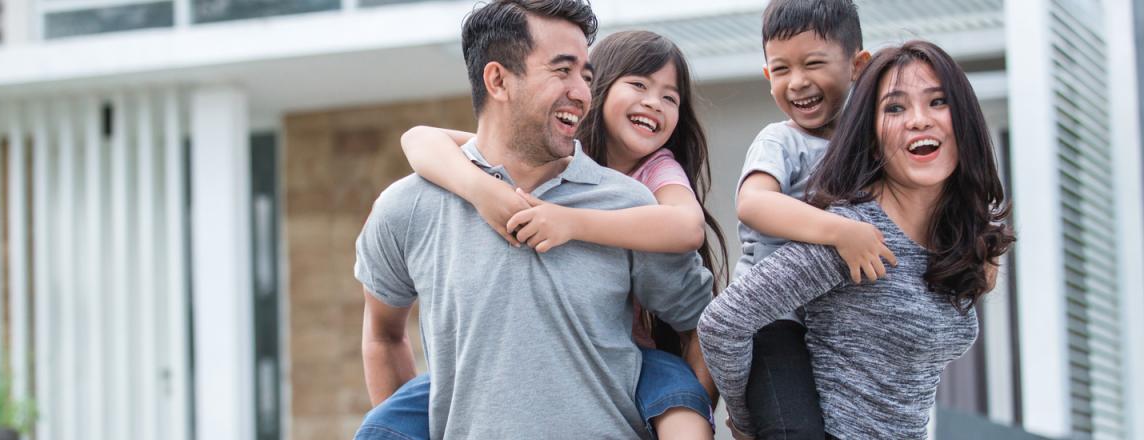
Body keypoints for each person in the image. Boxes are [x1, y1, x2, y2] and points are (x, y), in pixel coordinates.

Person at [354, 1, 714, 439]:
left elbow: (704, 325)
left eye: (586, 75)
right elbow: (383, 335)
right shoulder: (409, 206)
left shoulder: (630, 205)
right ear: (498, 80)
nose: (583, 93)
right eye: (562, 71)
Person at [699, 39, 1015, 439]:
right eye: (895, 108)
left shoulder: (961, 242)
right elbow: (723, 323)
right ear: (871, 135)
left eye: (937, 102)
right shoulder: (850, 234)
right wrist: (750, 423)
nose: (919, 120)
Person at [733, 1, 884, 437]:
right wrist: (840, 232)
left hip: (838, 327)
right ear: (767, 77)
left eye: (814, 64)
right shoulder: (781, 140)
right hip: (774, 321)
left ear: (858, 65)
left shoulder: (872, 147)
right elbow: (754, 204)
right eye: (781, 70)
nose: (797, 83)